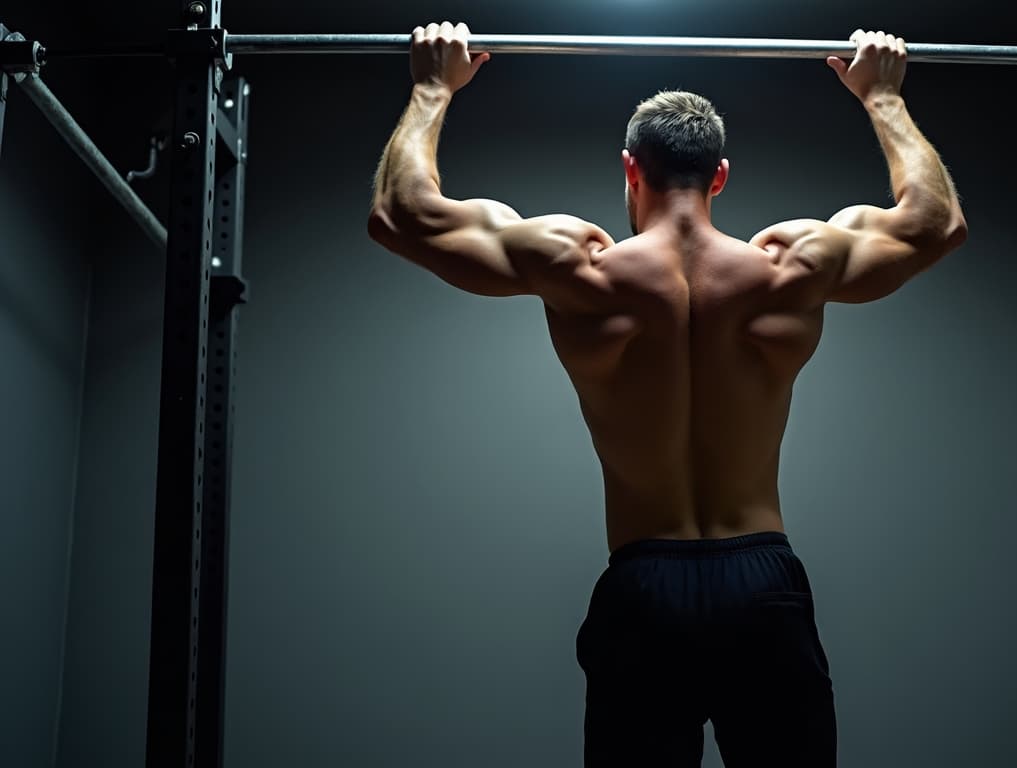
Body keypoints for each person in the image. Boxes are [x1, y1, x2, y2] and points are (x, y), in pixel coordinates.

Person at [368, 21, 967, 767]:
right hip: (763, 587)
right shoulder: (789, 267)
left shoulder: (579, 269)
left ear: (630, 169)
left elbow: (399, 213)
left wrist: (432, 88)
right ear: (720, 175)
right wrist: (883, 99)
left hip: (644, 587)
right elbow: (936, 222)